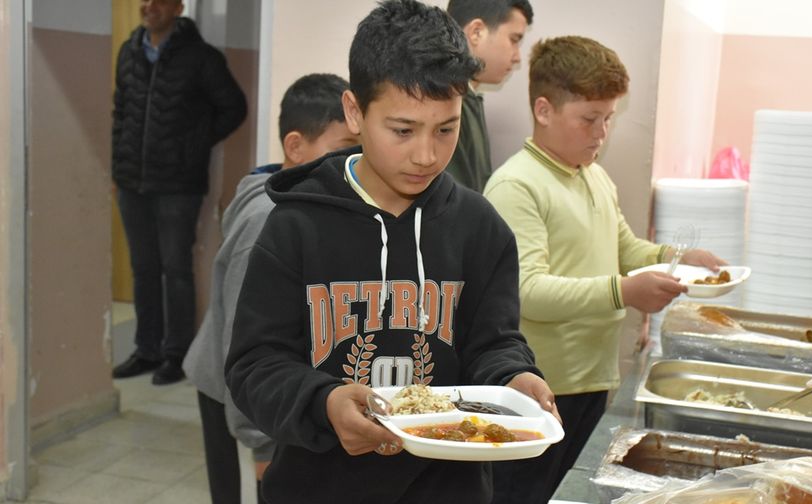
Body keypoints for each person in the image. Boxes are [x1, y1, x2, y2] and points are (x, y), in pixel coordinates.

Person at [225, 1, 558, 503]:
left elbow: (493, 343)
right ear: (355, 111)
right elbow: (255, 365)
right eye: (402, 130)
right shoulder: (296, 225)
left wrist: (515, 376)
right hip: (319, 487)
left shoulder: (480, 228)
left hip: (449, 489)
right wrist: (324, 401)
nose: (426, 155)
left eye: (446, 129)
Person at [483, 36, 726, 504]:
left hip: (592, 378)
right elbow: (528, 292)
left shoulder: (593, 174)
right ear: (544, 110)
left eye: (608, 119)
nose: (600, 133)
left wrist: (675, 258)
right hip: (542, 385)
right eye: (589, 119)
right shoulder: (517, 186)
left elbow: (625, 249)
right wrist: (623, 291)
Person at [183, 74, 358, 504]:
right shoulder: (266, 221)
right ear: (295, 147)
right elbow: (242, 345)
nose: (353, 163)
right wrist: (260, 444)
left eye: (359, 150)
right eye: (341, 150)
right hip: (237, 399)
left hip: (273, 395)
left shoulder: (312, 202)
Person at [111, 0, 247, 385]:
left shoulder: (201, 57)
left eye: (159, 0)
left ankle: (176, 353)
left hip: (178, 184)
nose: (148, 6)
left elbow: (234, 107)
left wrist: (194, 143)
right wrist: (118, 157)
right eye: (144, 0)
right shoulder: (129, 51)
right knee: (143, 269)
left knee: (176, 269)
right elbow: (120, 109)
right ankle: (147, 349)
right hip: (131, 181)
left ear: (178, 7)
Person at [445, 0, 533, 192]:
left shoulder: (470, 97)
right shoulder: (444, 100)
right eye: (514, 39)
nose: (517, 57)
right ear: (476, 32)